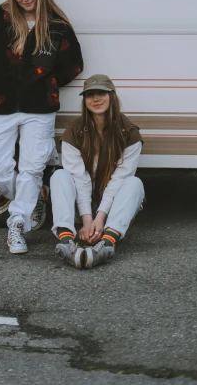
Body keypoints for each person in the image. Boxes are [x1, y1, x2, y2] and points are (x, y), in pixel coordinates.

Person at [0, 0, 83, 254]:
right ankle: (33, 199)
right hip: (1, 104)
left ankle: (16, 223)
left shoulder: (57, 25)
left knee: (31, 168)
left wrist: (47, 84)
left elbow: (73, 65)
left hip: (40, 108)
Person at [51, 74, 144, 269]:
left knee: (134, 183)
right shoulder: (74, 131)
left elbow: (120, 178)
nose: (95, 99)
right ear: (84, 100)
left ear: (112, 96)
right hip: (80, 207)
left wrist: (100, 219)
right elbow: (79, 178)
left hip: (110, 212)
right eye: (89, 94)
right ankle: (67, 241)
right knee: (59, 175)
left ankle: (107, 243)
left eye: (101, 93)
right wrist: (87, 220)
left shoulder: (129, 132)